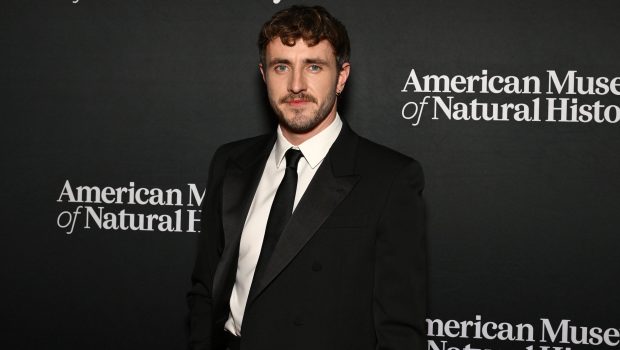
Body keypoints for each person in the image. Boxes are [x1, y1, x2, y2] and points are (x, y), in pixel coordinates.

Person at [188, 5, 426, 350]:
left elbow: (400, 330)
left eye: (313, 66)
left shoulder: (390, 178)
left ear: (342, 76)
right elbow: (204, 289)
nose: (296, 85)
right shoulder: (230, 162)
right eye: (281, 66)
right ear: (263, 73)